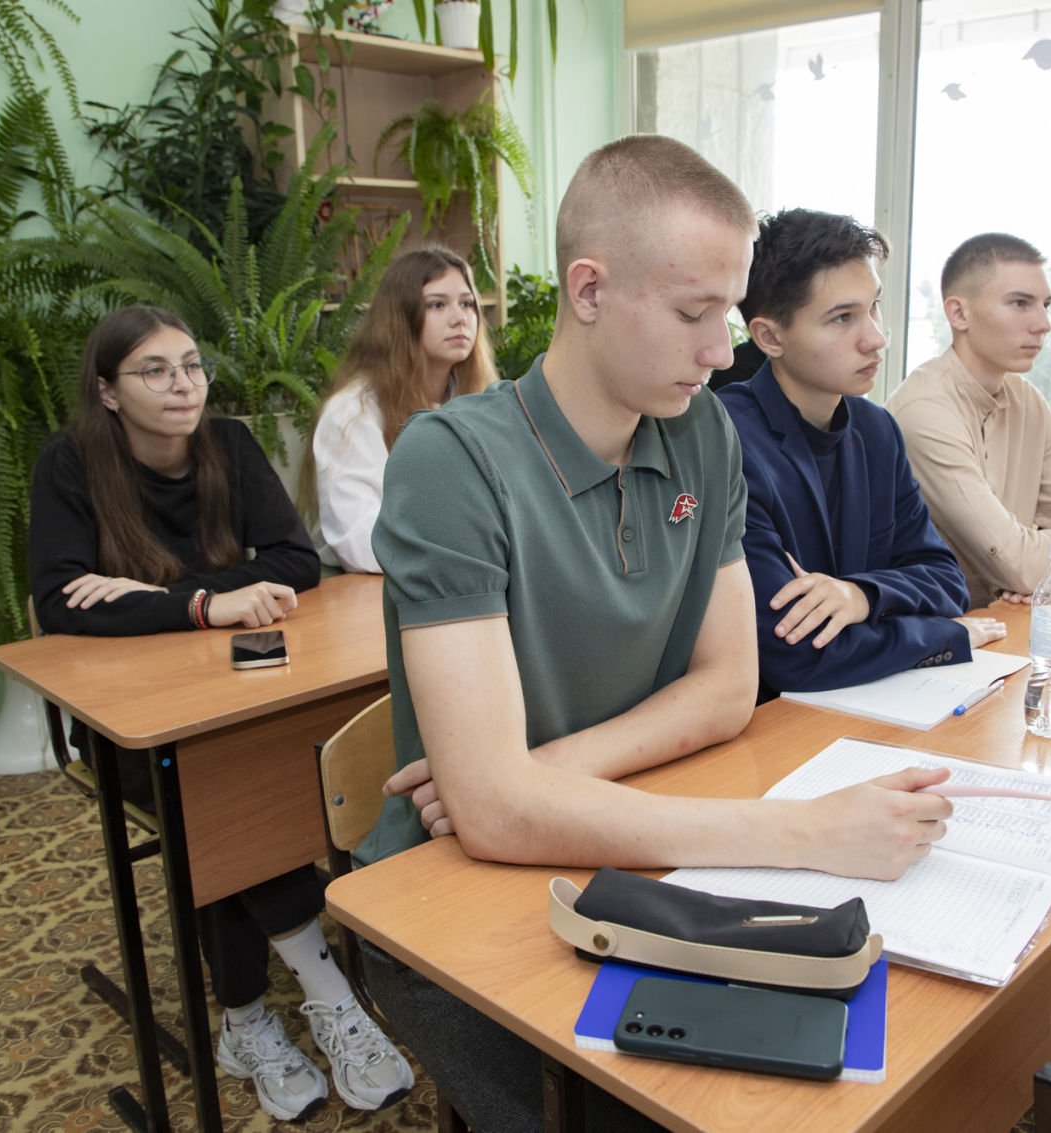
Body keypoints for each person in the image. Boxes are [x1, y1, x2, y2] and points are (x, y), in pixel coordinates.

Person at [354, 136, 956, 1133]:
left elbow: (726, 687)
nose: (721, 351)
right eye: (692, 314)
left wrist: (527, 776)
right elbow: (492, 822)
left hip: (630, 838)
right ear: (589, 290)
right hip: (446, 890)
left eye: (728, 312)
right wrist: (803, 833)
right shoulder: (450, 458)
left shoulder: (701, 431)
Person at [28, 306, 413, 1122]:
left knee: (237, 785)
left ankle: (242, 1020)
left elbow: (294, 561)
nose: (183, 385)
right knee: (222, 798)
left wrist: (149, 596)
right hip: (127, 722)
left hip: (237, 695)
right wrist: (206, 603)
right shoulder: (70, 463)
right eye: (155, 370)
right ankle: (328, 994)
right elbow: (61, 602)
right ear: (107, 391)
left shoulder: (228, 446)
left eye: (192, 365)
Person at [716, 207, 1006, 700]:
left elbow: (946, 581)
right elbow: (795, 655)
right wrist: (943, 636)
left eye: (874, 307)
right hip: (774, 722)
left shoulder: (877, 430)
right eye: (842, 318)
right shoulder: (727, 441)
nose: (875, 337)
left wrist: (861, 595)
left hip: (876, 701)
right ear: (770, 337)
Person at [886, 233, 1051, 605]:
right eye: (1020, 303)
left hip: (1012, 622)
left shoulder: (1028, 400)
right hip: (943, 631)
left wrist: (1047, 564)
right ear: (959, 313)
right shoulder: (924, 410)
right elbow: (1019, 565)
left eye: (1046, 304)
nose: (1044, 323)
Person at [306, 248, 497, 572]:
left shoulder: (482, 403)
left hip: (462, 575)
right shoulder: (352, 412)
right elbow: (360, 539)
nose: (460, 318)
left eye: (467, 303)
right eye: (437, 305)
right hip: (369, 586)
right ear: (399, 317)